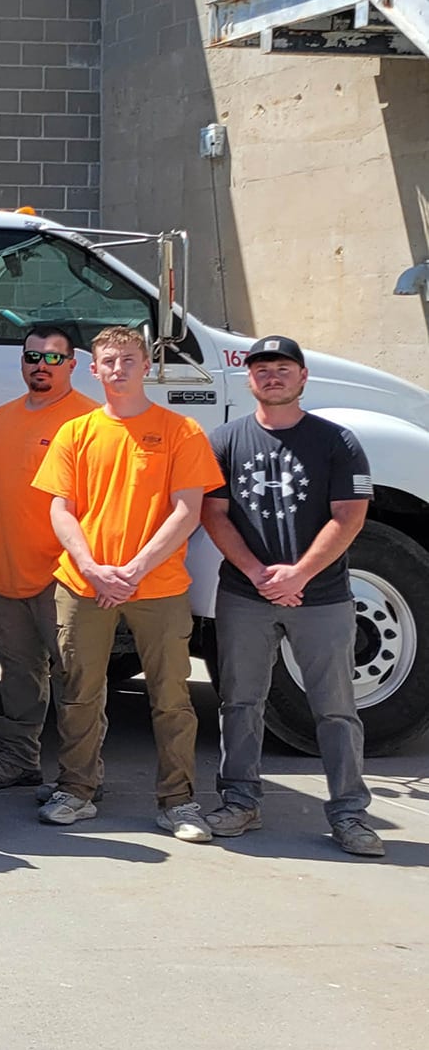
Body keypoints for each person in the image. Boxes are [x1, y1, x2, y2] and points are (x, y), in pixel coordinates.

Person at [33, 326, 225, 841]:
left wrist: (135, 570)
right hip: (83, 583)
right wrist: (93, 568)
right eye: (109, 361)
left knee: (171, 696)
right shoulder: (76, 432)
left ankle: (179, 802)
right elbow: (61, 508)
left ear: (146, 367)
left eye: (128, 360)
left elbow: (188, 511)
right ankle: (76, 790)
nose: (118, 369)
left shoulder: (181, 430)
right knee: (78, 692)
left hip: (158, 586)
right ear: (93, 370)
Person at [199, 335, 383, 856]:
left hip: (322, 597)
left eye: (283, 368)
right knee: (240, 703)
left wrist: (298, 574)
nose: (271, 376)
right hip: (244, 594)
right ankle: (239, 802)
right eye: (261, 369)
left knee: (336, 711)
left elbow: (349, 516)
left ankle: (349, 813)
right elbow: (214, 514)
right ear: (249, 379)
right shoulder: (226, 441)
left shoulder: (338, 442)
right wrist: (259, 573)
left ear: (303, 377)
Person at [0, 327, 96, 790]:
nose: (41, 365)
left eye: (54, 358)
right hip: (3, 571)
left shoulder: (89, 422)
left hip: (64, 576)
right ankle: (19, 761)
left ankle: (81, 777)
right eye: (32, 356)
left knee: (75, 682)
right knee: (19, 676)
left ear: (73, 363)